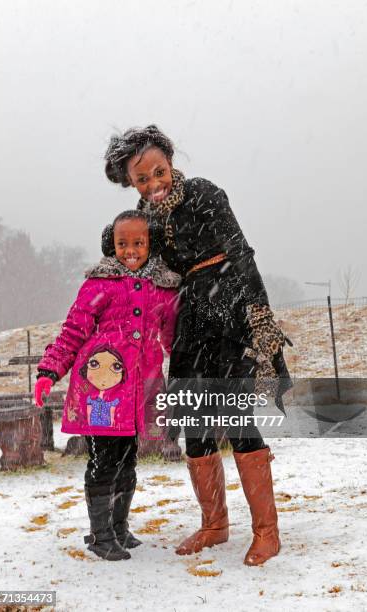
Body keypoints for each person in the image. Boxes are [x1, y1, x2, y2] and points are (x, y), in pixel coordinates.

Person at [103, 125, 293, 566]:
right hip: (188, 319)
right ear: (131, 183)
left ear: (169, 160)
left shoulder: (205, 193)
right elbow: (137, 266)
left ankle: (267, 531)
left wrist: (257, 318)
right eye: (141, 180)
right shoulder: (141, 218)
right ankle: (214, 524)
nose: (153, 184)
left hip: (229, 310)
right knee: (194, 420)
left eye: (158, 172)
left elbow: (241, 254)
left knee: (238, 418)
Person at [34, 210, 180, 561]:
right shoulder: (99, 285)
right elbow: (73, 331)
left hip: (140, 391)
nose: (130, 250)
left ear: (151, 244)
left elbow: (172, 336)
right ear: (111, 245)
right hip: (102, 393)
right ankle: (100, 535)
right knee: (104, 460)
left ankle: (118, 527)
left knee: (128, 459)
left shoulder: (163, 289)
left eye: (138, 243)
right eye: (122, 243)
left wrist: (184, 369)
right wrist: (49, 371)